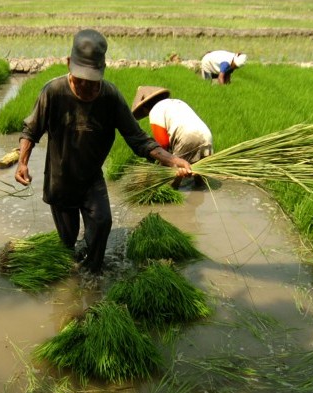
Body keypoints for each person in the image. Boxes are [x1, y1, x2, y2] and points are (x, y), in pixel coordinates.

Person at [14, 29, 193, 275]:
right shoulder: (53, 92)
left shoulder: (110, 97)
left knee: (102, 223)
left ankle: (93, 278)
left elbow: (138, 139)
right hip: (60, 179)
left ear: (103, 69)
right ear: (69, 64)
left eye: (93, 81)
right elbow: (30, 130)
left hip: (91, 178)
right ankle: (71, 280)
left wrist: (172, 159)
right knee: (67, 242)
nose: (87, 87)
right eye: (81, 80)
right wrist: (22, 163)